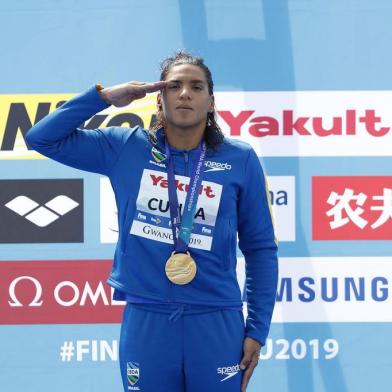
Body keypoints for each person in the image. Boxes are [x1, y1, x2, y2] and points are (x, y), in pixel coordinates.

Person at [26, 51, 278, 392]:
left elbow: (261, 249)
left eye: (196, 86)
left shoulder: (240, 159)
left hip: (217, 321)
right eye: (173, 86)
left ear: (211, 101)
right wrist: (103, 98)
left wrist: (257, 330)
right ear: (159, 100)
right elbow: (41, 138)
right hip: (148, 321)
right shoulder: (126, 147)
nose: (185, 93)